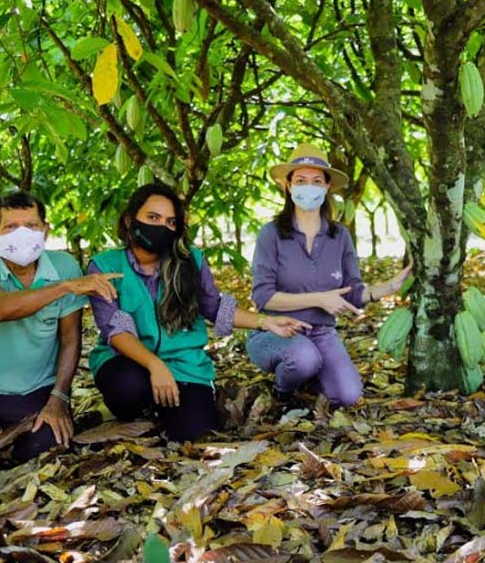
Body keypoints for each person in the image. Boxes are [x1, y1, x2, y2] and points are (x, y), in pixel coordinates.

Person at [87, 183, 308, 442]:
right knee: (125, 385)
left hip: (184, 366)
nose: (161, 227)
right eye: (152, 218)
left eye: (170, 222)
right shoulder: (104, 266)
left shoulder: (190, 260)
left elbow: (214, 307)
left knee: (195, 435)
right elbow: (116, 331)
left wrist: (266, 322)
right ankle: (143, 411)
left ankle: (173, 407)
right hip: (132, 364)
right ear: (129, 220)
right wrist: (155, 365)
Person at [0, 191, 119, 461]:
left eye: (31, 226)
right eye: (10, 227)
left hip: (34, 391)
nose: (22, 234)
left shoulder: (64, 266)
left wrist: (59, 398)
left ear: (45, 230)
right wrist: (63, 288)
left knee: (45, 450)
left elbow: (70, 339)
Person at [248, 144, 412, 408]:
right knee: (303, 358)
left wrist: (390, 286)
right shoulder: (272, 233)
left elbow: (353, 291)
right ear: (289, 187)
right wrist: (319, 299)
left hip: (321, 332)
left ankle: (311, 376)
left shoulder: (340, 236)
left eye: (316, 181)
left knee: (348, 395)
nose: (308, 187)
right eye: (300, 180)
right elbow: (263, 297)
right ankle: (282, 391)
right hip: (276, 329)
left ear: (326, 188)